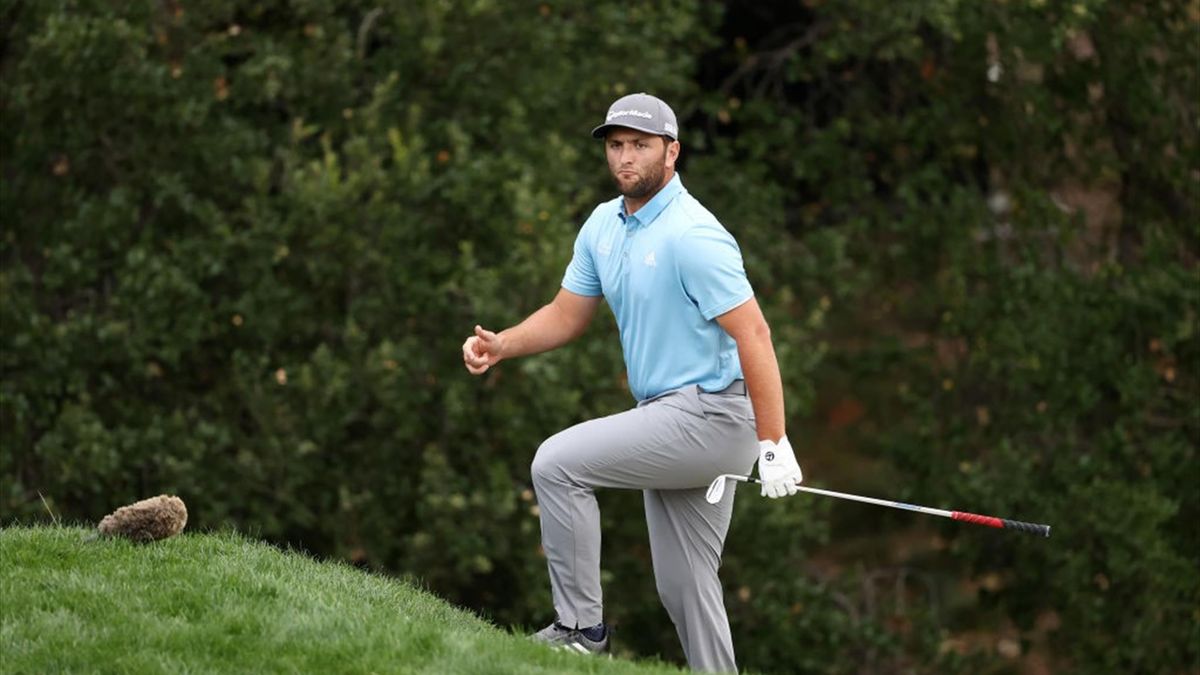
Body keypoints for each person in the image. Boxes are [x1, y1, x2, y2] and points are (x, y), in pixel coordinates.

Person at [461, 92, 803, 673]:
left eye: (640, 146)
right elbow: (568, 313)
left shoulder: (694, 234)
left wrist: (772, 441)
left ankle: (580, 628)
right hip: (670, 415)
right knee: (685, 586)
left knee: (556, 463)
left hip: (713, 418)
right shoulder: (603, 225)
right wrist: (503, 344)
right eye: (616, 146)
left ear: (671, 152)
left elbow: (755, 335)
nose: (625, 158)